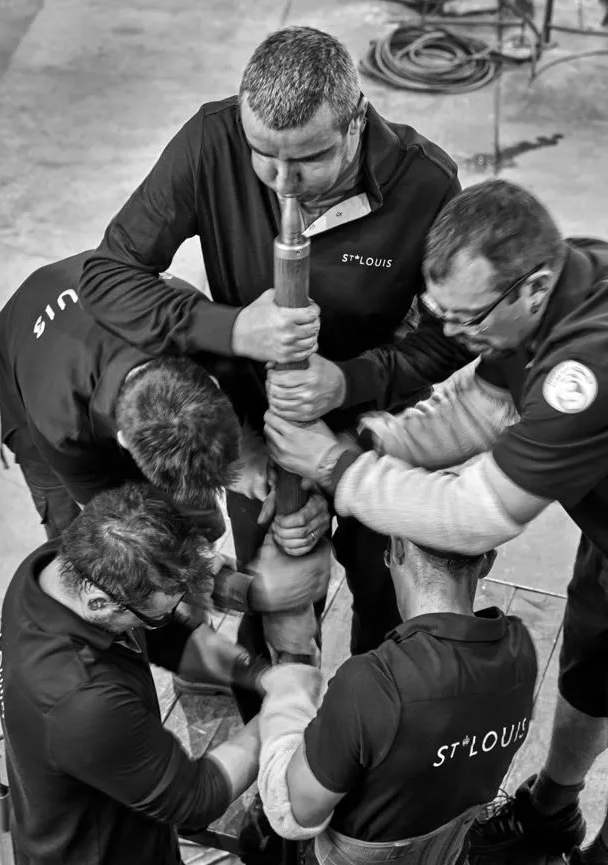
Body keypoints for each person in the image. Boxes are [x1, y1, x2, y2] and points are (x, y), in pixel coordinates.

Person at [77, 25, 471, 675]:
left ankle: (365, 716)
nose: (283, 184)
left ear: (355, 122)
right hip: (257, 428)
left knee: (383, 592)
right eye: (265, 157)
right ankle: (279, 739)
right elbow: (109, 275)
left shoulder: (426, 184)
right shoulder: (211, 140)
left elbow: (451, 333)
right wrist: (230, 329)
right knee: (277, 600)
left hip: (377, 428)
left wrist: (347, 380)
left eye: (308, 160)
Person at [264, 178, 608, 865]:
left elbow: (474, 513)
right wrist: (372, 444)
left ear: (532, 288)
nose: (452, 337)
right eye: (439, 314)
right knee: (592, 663)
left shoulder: (589, 362)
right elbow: (472, 410)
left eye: (468, 319)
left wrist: (338, 471)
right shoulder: (558, 279)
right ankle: (551, 810)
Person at [0, 251, 331, 692]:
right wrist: (241, 591)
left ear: (209, 385)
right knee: (95, 556)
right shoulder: (62, 424)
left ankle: (192, 625)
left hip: (102, 309)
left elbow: (246, 417)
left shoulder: (196, 325)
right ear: (127, 445)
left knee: (199, 521)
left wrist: (249, 454)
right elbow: (122, 536)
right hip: (30, 345)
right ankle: (179, 638)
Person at [0, 481, 313, 865]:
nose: (168, 617)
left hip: (118, 795)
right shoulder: (81, 702)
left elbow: (166, 637)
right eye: (158, 611)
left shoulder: (58, 565)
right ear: (99, 602)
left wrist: (259, 675)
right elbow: (196, 797)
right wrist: (282, 708)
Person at [255, 536, 537, 865]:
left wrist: (289, 694)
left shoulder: (372, 685)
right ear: (488, 560)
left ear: (397, 549)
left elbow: (294, 810)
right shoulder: (521, 650)